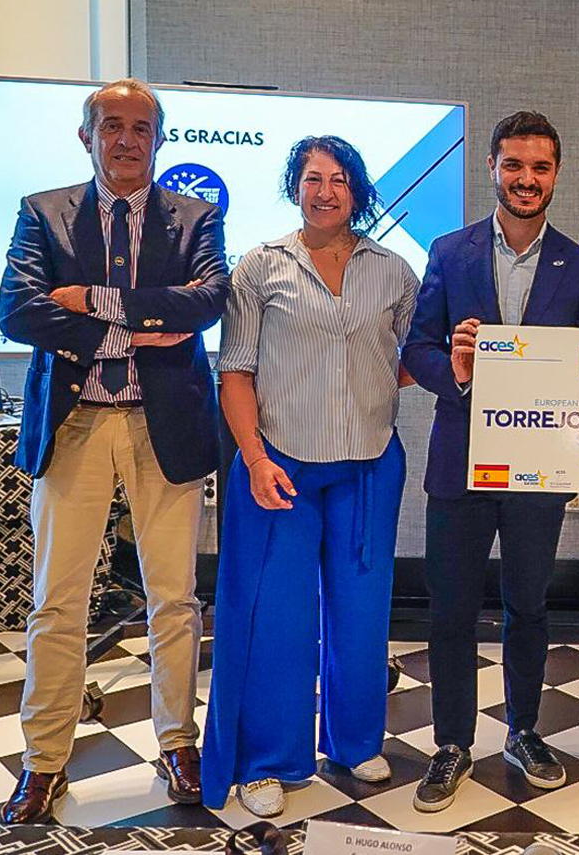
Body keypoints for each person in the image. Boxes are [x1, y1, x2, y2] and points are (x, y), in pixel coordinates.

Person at [0, 78, 229, 822]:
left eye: (141, 127)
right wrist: (138, 331)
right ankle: (43, 762)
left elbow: (206, 302)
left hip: (165, 427)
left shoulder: (196, 217)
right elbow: (17, 311)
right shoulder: (43, 212)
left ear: (159, 138)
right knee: (57, 601)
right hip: (76, 426)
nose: (127, 140)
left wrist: (93, 302)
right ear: (86, 135)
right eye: (111, 126)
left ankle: (178, 743)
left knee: (175, 600)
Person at [201, 135, 419, 817]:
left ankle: (354, 743)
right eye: (312, 178)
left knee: (362, 615)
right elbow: (235, 371)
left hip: (368, 466)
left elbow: (409, 359)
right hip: (279, 467)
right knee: (277, 619)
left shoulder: (394, 271)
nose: (325, 191)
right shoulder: (260, 266)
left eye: (339, 179)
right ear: (295, 186)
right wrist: (254, 458)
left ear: (358, 190)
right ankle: (269, 761)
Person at [402, 111, 579, 813]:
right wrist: (456, 369)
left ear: (556, 174)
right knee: (451, 611)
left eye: (540, 167)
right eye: (513, 165)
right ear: (491, 167)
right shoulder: (450, 251)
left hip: (539, 468)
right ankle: (452, 742)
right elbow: (416, 349)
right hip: (460, 464)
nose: (526, 179)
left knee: (528, 605)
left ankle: (524, 731)